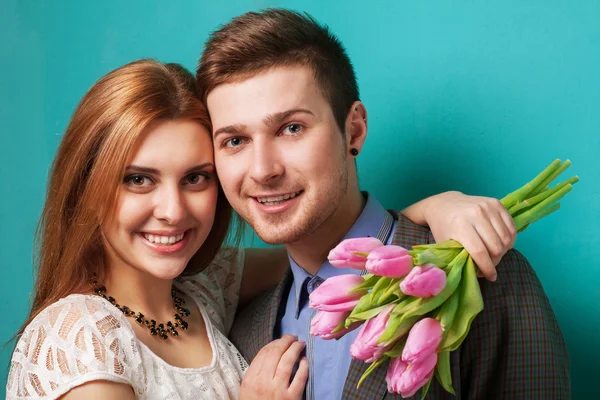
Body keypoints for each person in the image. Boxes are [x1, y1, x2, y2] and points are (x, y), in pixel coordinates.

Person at [6, 60, 514, 399]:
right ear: (88, 188)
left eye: (195, 178)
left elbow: (334, 251)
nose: (172, 210)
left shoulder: (204, 288)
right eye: (138, 180)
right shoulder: (81, 337)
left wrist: (432, 209)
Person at [197, 9, 571, 400]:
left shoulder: (490, 277)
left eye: (292, 128)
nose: (263, 170)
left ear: (353, 130)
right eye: (235, 140)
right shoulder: (240, 331)